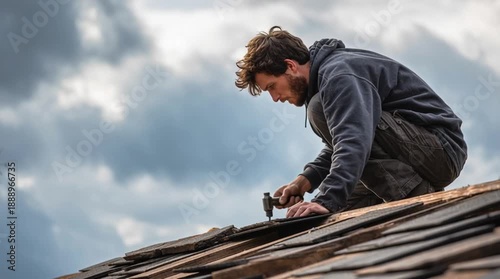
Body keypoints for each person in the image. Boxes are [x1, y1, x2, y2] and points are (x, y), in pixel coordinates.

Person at [235, 26, 467, 218]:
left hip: (441, 149)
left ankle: (418, 198)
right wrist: (305, 181)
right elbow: (345, 140)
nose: (275, 98)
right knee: (323, 214)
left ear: (291, 66)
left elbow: (354, 139)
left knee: (319, 113)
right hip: (417, 148)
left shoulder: (338, 76)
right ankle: (406, 195)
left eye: (272, 87)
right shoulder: (329, 78)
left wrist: (327, 197)